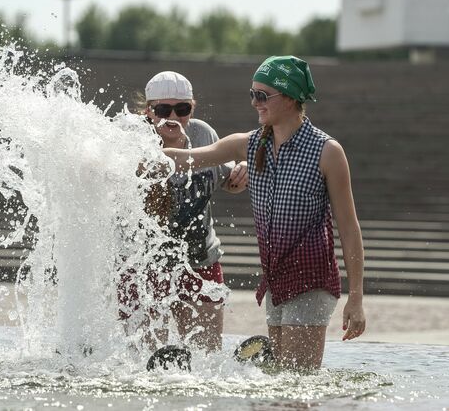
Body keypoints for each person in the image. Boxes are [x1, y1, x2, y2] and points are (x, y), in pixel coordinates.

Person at [163, 56, 366, 370]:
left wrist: (356, 298)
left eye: (262, 95)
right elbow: (186, 157)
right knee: (282, 383)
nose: (255, 103)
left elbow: (350, 230)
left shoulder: (327, 152)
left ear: (289, 97)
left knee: (296, 384)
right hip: (276, 283)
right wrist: (124, 150)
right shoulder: (248, 144)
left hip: (311, 282)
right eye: (252, 94)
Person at [119, 71, 248, 352]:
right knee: (145, 358)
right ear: (148, 111)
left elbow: (225, 179)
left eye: (182, 109)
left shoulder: (203, 134)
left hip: (199, 261)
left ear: (192, 107)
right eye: (163, 109)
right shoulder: (132, 137)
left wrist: (240, 173)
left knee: (206, 353)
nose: (173, 117)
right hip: (143, 265)